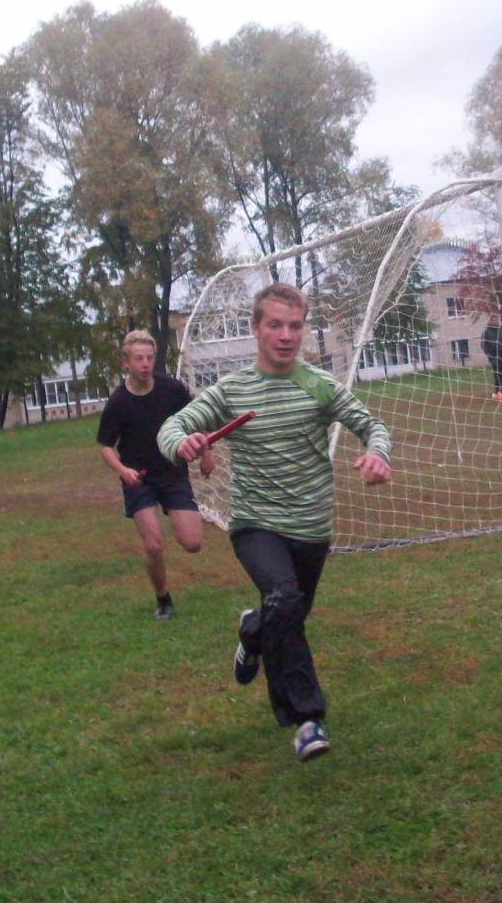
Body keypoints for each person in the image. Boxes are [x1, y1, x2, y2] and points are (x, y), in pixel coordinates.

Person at [158, 282, 392, 763]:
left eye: (295, 326)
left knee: (288, 616)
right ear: (256, 329)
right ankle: (306, 719)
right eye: (275, 325)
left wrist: (377, 454)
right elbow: (172, 426)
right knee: (284, 599)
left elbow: (372, 425)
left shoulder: (318, 386)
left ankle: (253, 631)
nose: (286, 336)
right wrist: (181, 443)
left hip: (311, 528)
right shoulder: (234, 389)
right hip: (256, 525)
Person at [97, 329, 213, 620]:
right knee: (153, 544)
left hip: (173, 474)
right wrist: (123, 470)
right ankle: (163, 598)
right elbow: (105, 447)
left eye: (149, 357)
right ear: (126, 363)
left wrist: (206, 454)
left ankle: (176, 519)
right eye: (139, 358)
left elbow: (197, 420)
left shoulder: (172, 390)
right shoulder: (118, 402)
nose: (145, 364)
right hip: (139, 479)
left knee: (193, 543)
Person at [481, 309, 502, 400]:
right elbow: (484, 345)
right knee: (497, 374)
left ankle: (501, 391)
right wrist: (490, 355)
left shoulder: (501, 330)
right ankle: (498, 391)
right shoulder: (486, 332)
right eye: (493, 320)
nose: (495, 321)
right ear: (490, 321)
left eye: (496, 320)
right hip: (494, 357)